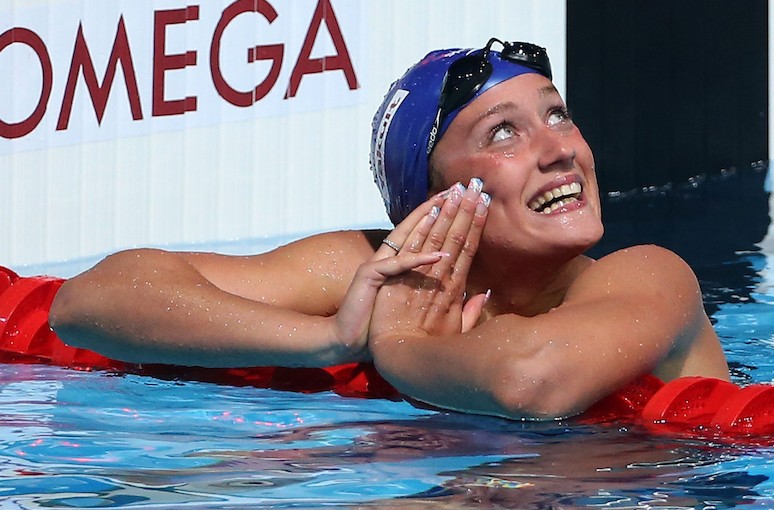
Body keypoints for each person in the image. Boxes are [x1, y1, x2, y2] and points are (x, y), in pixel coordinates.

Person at [49, 38, 729, 420]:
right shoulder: (375, 269)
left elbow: (531, 380)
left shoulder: (649, 275)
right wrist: (327, 339)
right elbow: (90, 301)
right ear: (429, 199)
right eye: (504, 133)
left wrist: (401, 347)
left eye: (557, 115)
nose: (560, 149)